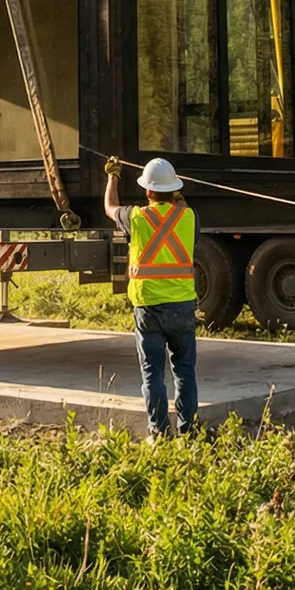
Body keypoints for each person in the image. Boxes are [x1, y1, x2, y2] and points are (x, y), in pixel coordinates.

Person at [105, 155, 199, 437]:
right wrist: (174, 191)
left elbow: (109, 207)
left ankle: (158, 433)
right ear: (175, 191)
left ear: (147, 191)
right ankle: (189, 433)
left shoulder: (136, 217)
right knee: (184, 372)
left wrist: (113, 176)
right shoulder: (189, 217)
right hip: (182, 307)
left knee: (153, 374)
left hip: (148, 308)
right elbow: (179, 206)